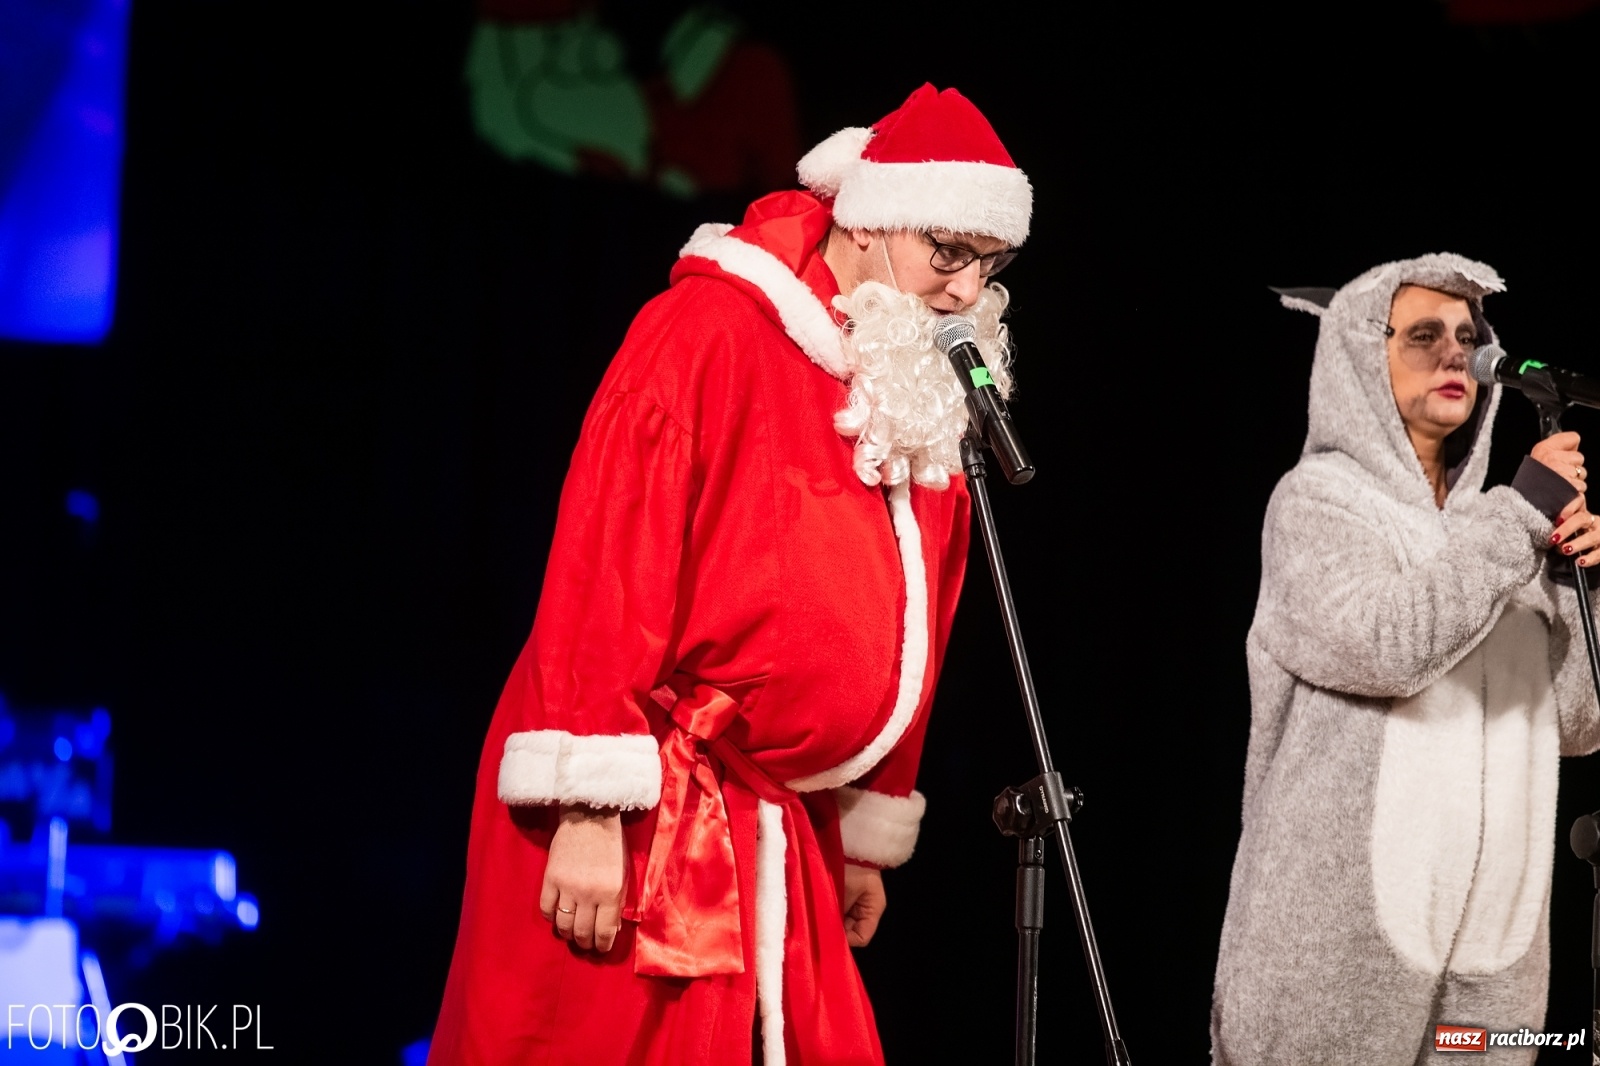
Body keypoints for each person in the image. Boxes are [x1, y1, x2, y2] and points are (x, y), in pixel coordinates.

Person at [427, 84, 1032, 1066]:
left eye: (990, 263)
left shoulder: (908, 384)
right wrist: (588, 805)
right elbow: (604, 563)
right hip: (646, 805)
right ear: (870, 222)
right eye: (947, 253)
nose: (966, 290)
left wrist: (862, 827)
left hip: (783, 822)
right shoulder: (708, 332)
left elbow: (920, 612)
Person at [1211, 253, 1600, 1065]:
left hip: (1494, 971)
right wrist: (1519, 519)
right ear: (1360, 353)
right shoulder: (1317, 503)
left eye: (1469, 335)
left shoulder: (1507, 526)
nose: (1457, 354)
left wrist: (1578, 585)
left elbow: (1577, 723)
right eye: (1423, 334)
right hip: (1334, 970)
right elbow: (1386, 647)